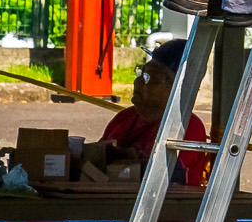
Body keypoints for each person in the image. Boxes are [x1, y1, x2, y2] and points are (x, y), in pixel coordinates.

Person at [80, 40, 209, 186]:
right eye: (141, 73)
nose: (138, 82)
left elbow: (167, 178)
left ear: (175, 86)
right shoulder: (124, 118)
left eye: (149, 77)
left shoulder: (186, 126)